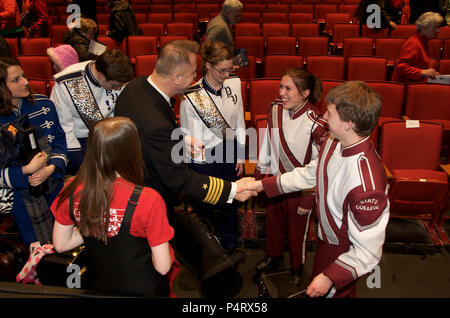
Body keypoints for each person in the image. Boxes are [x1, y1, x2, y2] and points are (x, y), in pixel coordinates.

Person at [246, 81, 390, 298]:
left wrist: (331, 276)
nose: (323, 116)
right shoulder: (335, 142)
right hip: (326, 239)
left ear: (349, 123)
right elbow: (312, 172)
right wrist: (260, 185)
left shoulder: (367, 185)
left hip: (343, 249)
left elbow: (367, 251)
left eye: (330, 113)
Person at [114, 40, 255, 224]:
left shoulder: (135, 87)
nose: (196, 77)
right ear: (177, 77)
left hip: (130, 181)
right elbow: (180, 181)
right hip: (150, 197)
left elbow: (150, 138)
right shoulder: (157, 124)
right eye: (192, 73)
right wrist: (233, 190)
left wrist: (182, 138)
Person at [51, 117, 174, 297]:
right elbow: (163, 267)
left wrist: (97, 222)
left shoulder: (71, 192)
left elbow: (61, 245)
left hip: (98, 286)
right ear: (131, 150)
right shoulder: (148, 199)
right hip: (144, 288)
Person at [253, 68, 329, 285]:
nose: (282, 93)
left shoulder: (317, 124)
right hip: (275, 182)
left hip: (299, 188)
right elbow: (267, 144)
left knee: (297, 234)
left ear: (305, 93)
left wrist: (309, 196)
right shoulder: (274, 110)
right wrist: (260, 177)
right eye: (281, 86)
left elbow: (319, 166)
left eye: (289, 88)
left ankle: (297, 265)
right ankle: (273, 256)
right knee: (273, 224)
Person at [179, 41, 246, 250]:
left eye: (230, 69)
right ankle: (208, 248)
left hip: (230, 150)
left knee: (231, 201)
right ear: (207, 65)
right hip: (203, 157)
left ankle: (230, 244)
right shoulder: (190, 95)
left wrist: (241, 153)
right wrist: (195, 168)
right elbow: (186, 135)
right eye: (222, 70)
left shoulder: (234, 83)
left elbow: (240, 120)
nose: (227, 75)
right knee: (204, 207)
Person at [0, 57, 68, 246]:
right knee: (39, 248)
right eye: (16, 80)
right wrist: (26, 171)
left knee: (65, 239)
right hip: (19, 196)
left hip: (54, 183)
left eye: (24, 76)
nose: (26, 82)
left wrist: (51, 168)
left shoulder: (44, 105)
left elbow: (60, 143)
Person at [50, 49, 133, 175]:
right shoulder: (65, 84)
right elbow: (65, 130)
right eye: (115, 86)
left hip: (109, 136)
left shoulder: (115, 75)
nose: (118, 89)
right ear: (101, 76)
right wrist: (82, 165)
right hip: (80, 143)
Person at [392, 11, 444, 83]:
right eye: (435, 27)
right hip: (406, 87)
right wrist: (422, 72)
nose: (438, 30)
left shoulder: (423, 41)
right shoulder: (413, 43)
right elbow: (401, 66)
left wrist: (429, 73)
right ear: (424, 28)